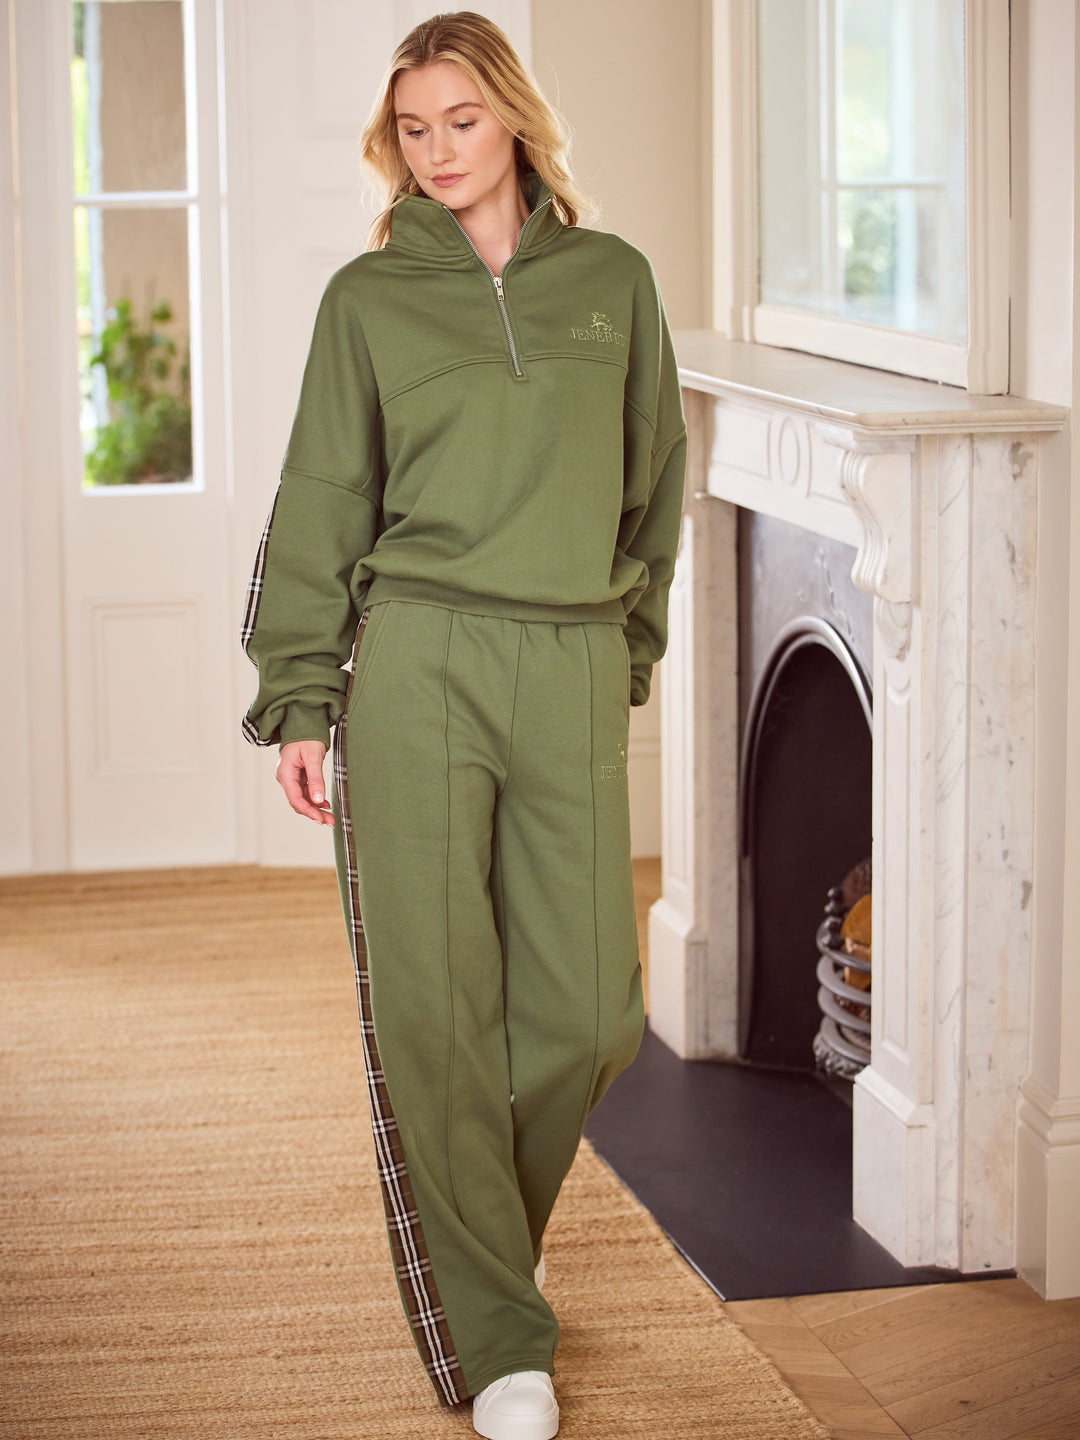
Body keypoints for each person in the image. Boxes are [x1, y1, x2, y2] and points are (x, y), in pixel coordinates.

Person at [240, 12, 686, 1438]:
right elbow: (321, 498)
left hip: (568, 658)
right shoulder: (368, 301)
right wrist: (302, 693)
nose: (437, 150)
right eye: (414, 128)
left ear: (515, 120)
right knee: (436, 1016)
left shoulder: (612, 282)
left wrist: (623, 654)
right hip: (417, 658)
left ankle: (481, 1245)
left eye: (463, 121)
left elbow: (654, 488)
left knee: (592, 1014)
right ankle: (499, 1339)